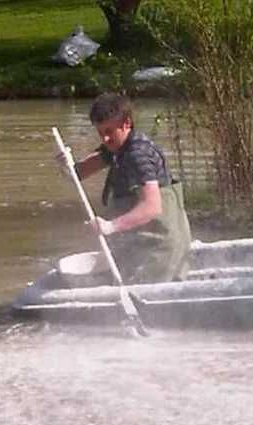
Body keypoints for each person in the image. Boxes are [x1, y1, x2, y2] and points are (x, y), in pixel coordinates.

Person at [60, 93, 192, 284]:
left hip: (160, 249)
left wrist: (111, 226)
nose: (105, 139)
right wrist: (66, 165)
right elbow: (77, 174)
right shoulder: (115, 147)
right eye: (100, 133)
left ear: (126, 123)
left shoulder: (138, 154)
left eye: (109, 131)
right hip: (140, 242)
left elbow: (152, 207)